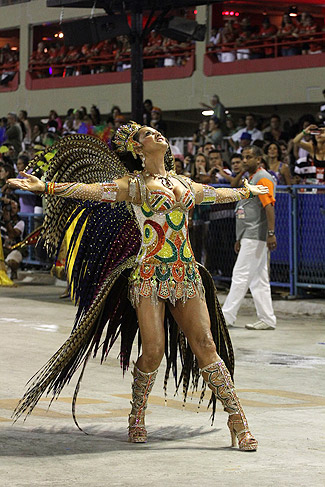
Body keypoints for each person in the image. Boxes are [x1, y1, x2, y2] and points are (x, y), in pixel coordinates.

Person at [8, 124, 269, 450]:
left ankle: (238, 420)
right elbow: (92, 190)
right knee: (154, 350)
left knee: (206, 345)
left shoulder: (184, 183)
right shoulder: (133, 186)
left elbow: (218, 194)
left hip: (185, 274)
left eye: (159, 132)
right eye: (148, 134)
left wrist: (245, 192)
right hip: (148, 275)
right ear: (137, 148)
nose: (158, 135)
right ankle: (137, 413)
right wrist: (46, 187)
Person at [222, 145, 277, 331]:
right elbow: (234, 187)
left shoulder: (263, 178)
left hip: (256, 234)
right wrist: (240, 237)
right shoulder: (251, 178)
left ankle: (226, 316)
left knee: (240, 275)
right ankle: (268, 319)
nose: (244, 161)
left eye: (249, 157)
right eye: (243, 157)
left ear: (259, 160)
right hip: (248, 234)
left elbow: (269, 206)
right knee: (258, 280)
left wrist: (270, 233)